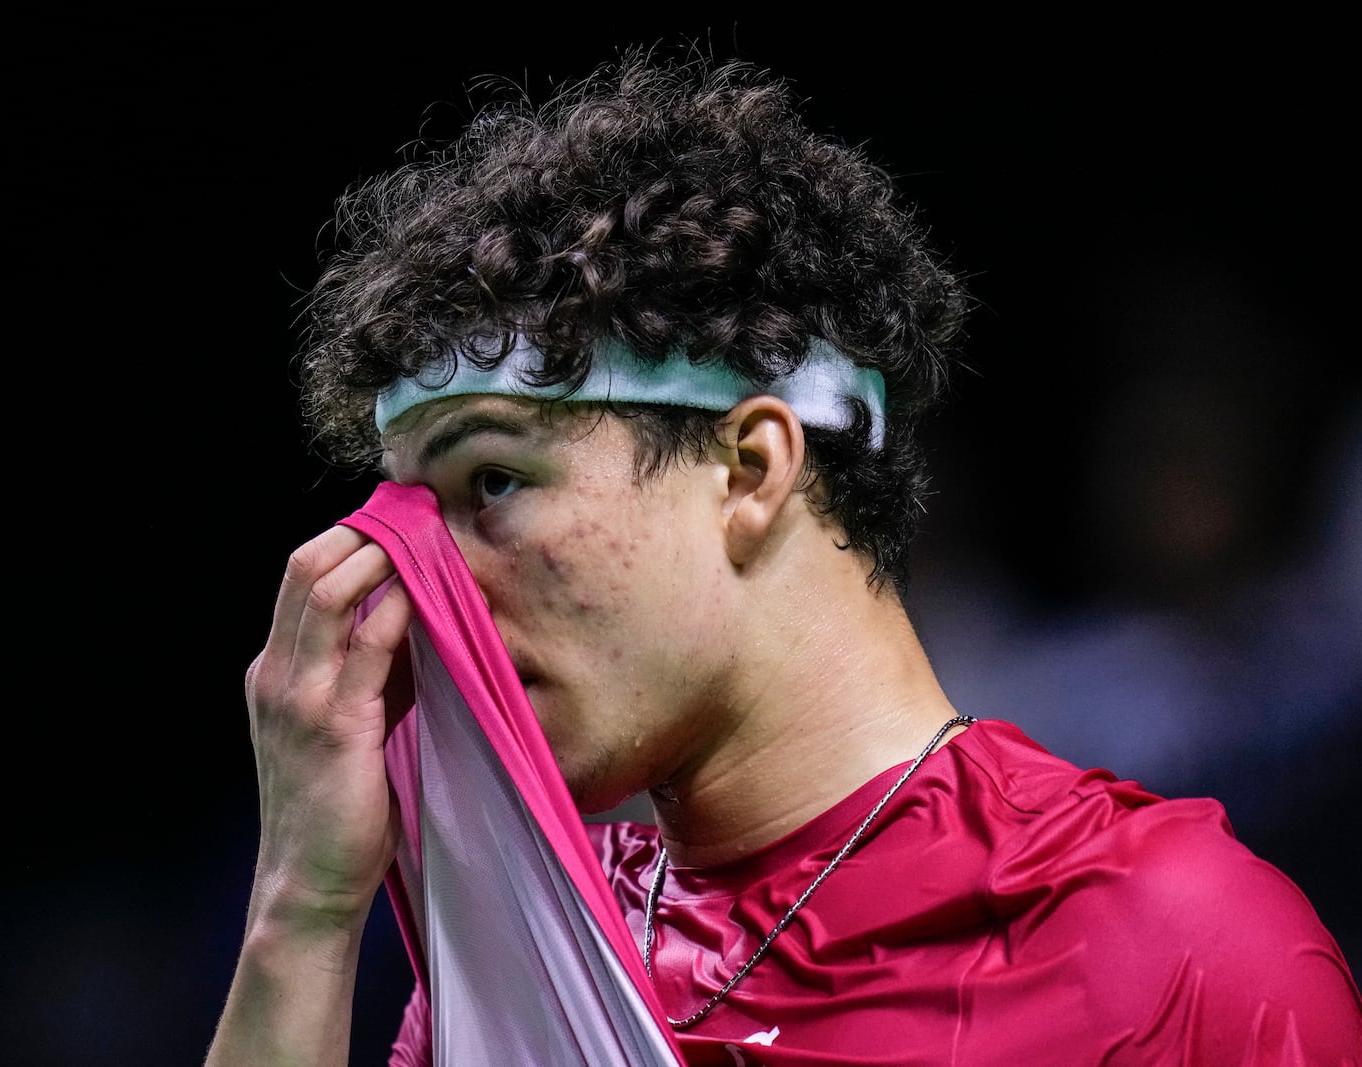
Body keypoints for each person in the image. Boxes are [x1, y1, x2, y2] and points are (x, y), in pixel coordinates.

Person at [205, 48, 1362, 1065]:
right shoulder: (537, 969)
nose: (422, 586)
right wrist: (302, 904)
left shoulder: (1181, 963)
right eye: (411, 509)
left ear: (752, 469)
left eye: (492, 481)